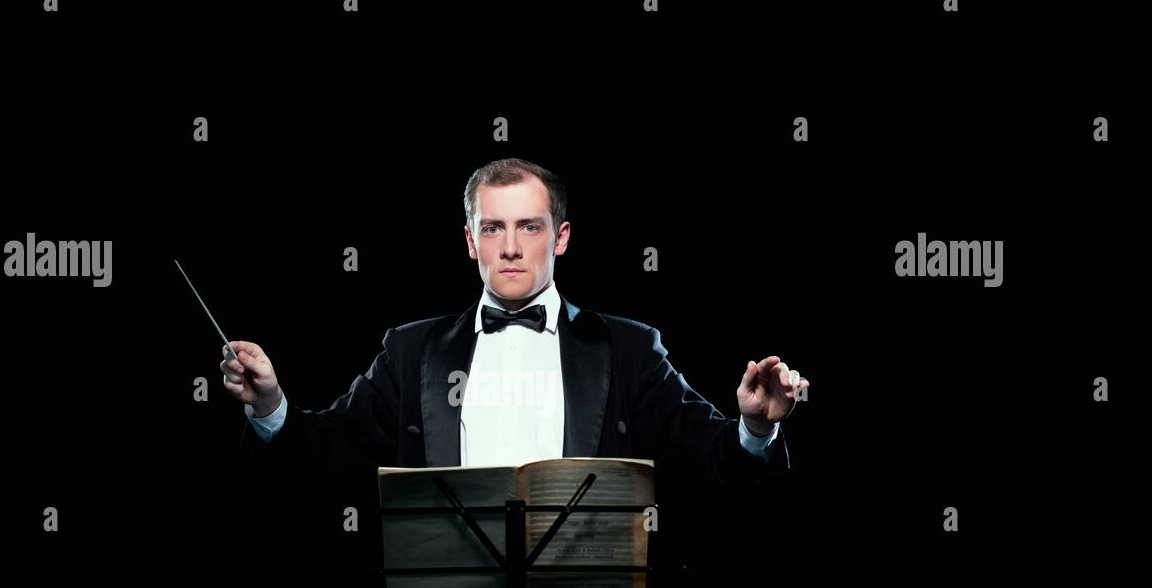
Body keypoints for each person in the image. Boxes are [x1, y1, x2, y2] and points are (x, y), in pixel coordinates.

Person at [220, 157, 807, 481]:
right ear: (471, 242)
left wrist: (755, 426)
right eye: (493, 228)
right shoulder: (409, 351)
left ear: (561, 238)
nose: (510, 247)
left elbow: (705, 452)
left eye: (529, 226)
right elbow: (328, 450)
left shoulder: (630, 349)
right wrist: (271, 406)